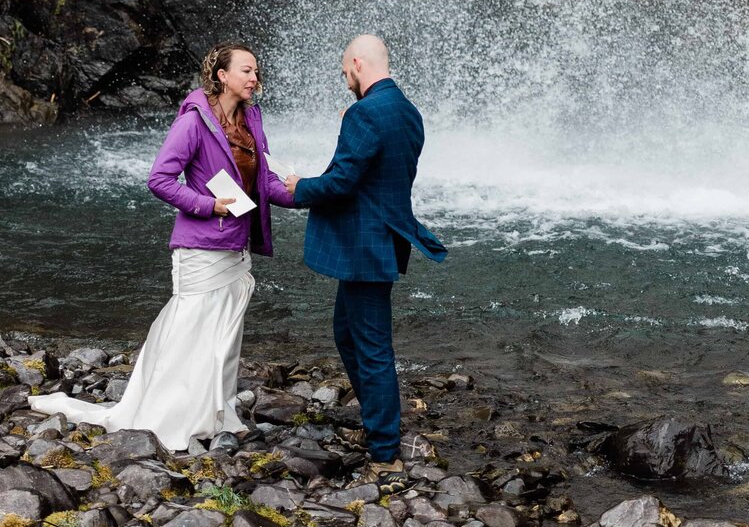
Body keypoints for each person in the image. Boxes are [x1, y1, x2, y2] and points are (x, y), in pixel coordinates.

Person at [29, 42, 293, 450]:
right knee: (190, 327)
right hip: (201, 245)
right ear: (222, 75)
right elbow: (160, 179)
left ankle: (215, 409)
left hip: (236, 246)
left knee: (223, 331)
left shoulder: (252, 118)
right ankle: (171, 415)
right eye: (246, 71)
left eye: (256, 71)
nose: (255, 79)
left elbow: (265, 181)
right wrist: (209, 205)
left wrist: (311, 192)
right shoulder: (193, 121)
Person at [287, 35, 446, 471]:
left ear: (357, 64)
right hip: (383, 240)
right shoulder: (407, 111)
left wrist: (297, 187)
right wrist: (353, 121)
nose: (346, 81)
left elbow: (340, 182)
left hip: (364, 245)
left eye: (345, 73)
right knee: (347, 331)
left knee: (372, 346)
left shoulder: (365, 113)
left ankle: (384, 450)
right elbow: (383, 167)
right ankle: (380, 420)